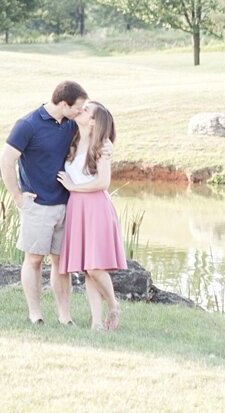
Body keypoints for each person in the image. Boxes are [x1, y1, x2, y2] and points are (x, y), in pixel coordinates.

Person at [0, 79, 88, 324]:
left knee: (62, 264)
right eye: (78, 107)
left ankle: (64, 316)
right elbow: (6, 159)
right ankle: (35, 314)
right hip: (38, 205)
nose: (80, 111)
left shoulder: (70, 124)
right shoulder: (28, 125)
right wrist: (17, 196)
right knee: (34, 259)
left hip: (66, 203)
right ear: (63, 103)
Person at [57, 101, 127, 330]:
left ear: (94, 121)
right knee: (88, 268)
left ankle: (114, 305)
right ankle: (96, 322)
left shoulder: (103, 145)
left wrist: (73, 187)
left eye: (87, 110)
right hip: (78, 208)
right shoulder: (75, 140)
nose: (81, 110)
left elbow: (103, 182)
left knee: (95, 266)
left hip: (95, 207)